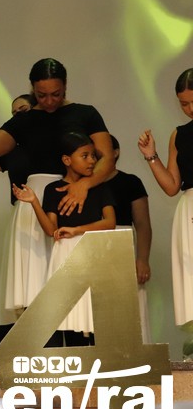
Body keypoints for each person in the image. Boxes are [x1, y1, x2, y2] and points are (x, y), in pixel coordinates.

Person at [0, 58, 114, 333]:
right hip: (34, 203)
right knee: (35, 285)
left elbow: (106, 158)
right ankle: (38, 343)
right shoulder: (24, 120)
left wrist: (84, 186)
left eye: (56, 94)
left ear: (66, 86)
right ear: (32, 89)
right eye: (42, 95)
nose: (50, 101)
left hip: (76, 198)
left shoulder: (85, 113)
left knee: (74, 285)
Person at [12, 132, 116, 346]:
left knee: (97, 317)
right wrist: (34, 202)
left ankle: (101, 363)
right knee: (69, 317)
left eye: (93, 156)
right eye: (85, 156)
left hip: (92, 253)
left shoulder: (99, 186)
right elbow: (51, 229)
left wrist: (77, 230)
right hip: (65, 256)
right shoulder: (53, 190)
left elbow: (109, 222)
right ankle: (77, 364)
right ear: (67, 160)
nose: (91, 161)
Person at [138, 67, 193, 328]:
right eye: (184, 104)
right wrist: (151, 155)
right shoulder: (179, 135)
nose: (190, 109)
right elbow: (172, 186)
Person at [0, 94, 36, 345]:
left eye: (23, 110)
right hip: (22, 217)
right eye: (13, 113)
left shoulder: (51, 143)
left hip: (50, 215)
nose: (18, 117)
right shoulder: (11, 150)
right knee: (22, 281)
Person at [105, 135, 152, 343]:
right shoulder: (82, 185)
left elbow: (142, 224)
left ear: (115, 153)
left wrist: (142, 259)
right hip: (91, 247)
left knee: (131, 308)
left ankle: (138, 356)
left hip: (123, 246)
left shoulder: (130, 182)